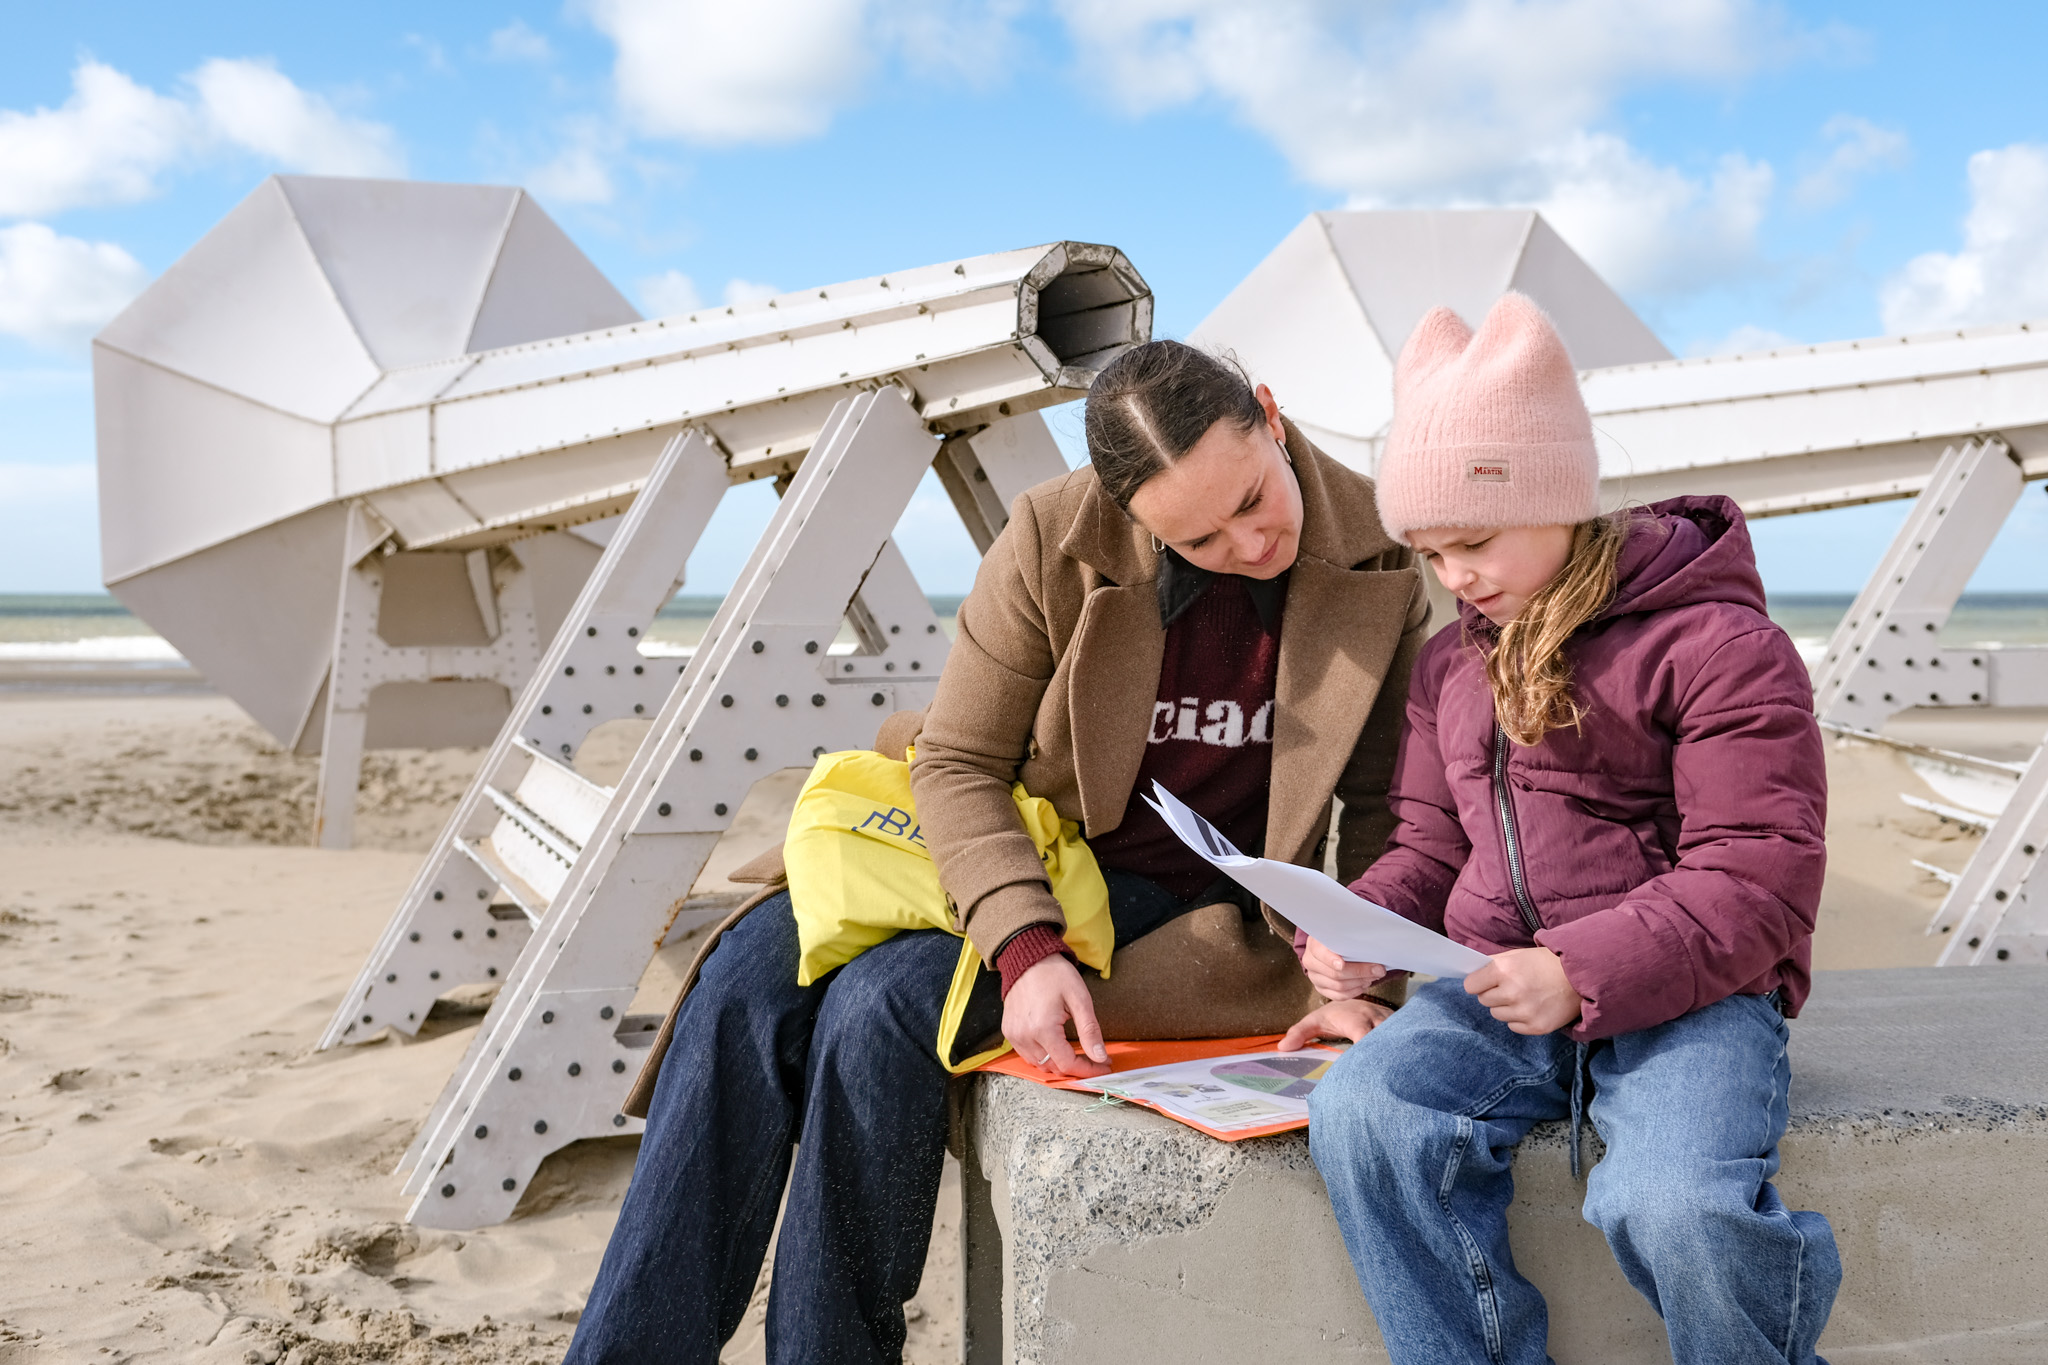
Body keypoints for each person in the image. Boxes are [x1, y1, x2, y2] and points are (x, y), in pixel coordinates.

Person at [562, 341, 1430, 1364]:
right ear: (1129, 516)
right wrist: (1025, 948)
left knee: (882, 1007)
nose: (1244, 544)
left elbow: (1388, 804)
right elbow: (960, 761)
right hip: (1007, 840)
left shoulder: (1383, 552)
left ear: (1270, 416)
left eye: (1249, 501)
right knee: (741, 986)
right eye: (1192, 537)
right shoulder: (1052, 535)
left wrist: (1367, 969)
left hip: (1168, 895)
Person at [1285, 293, 1841, 1365]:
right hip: (1493, 985)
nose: (1454, 578)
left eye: (1474, 541)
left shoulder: (1719, 646)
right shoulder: (1451, 663)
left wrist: (1576, 970)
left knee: (1673, 1203)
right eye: (1429, 553)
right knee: (1361, 1114)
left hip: (1697, 997)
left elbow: (1759, 875)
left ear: (1554, 497)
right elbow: (1429, 846)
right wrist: (1363, 924)